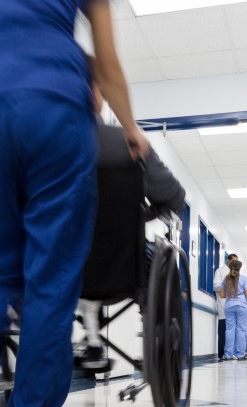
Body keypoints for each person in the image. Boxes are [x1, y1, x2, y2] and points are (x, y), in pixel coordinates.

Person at [0, 0, 150, 407]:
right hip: (52, 107)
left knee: (1, 253)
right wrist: (130, 127)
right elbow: (108, 61)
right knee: (50, 276)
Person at [78, 64, 187, 369]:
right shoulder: (129, 144)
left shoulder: (40, 145)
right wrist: (142, 214)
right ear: (96, 97)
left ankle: (89, 334)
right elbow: (175, 197)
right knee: (157, 259)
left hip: (52, 264)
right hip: (122, 267)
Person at [220, 259, 247, 361]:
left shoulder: (225, 279)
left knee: (229, 330)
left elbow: (222, 295)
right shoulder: (244, 278)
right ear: (239, 268)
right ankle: (240, 354)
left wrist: (231, 295)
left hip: (229, 306)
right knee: (241, 330)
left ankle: (228, 355)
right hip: (242, 306)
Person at [213, 251, 237, 361]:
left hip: (234, 305)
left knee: (232, 332)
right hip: (223, 304)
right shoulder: (220, 271)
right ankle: (221, 354)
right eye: (233, 261)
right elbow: (216, 286)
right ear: (228, 260)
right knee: (223, 331)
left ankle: (229, 353)